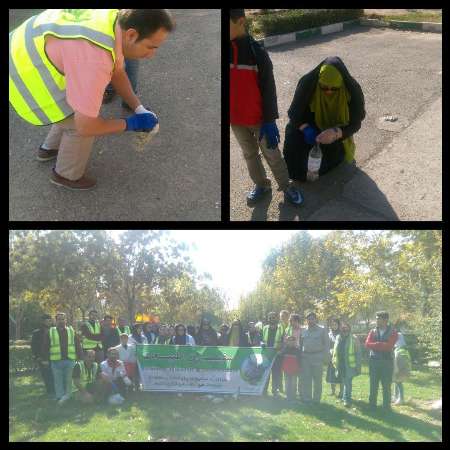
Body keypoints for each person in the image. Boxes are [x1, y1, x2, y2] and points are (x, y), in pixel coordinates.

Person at [9, 9, 174, 190]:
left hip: (24, 52)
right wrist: (131, 123)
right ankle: (65, 175)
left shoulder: (114, 21)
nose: (151, 55)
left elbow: (117, 70)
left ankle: (49, 149)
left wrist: (138, 107)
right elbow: (87, 127)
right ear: (132, 35)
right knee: (82, 123)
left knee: (82, 104)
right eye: (151, 47)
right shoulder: (95, 60)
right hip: (21, 75)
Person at [229, 9, 303, 206]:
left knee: (272, 153)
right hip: (235, 120)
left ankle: (287, 186)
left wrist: (269, 120)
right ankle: (262, 184)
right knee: (249, 154)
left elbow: (269, 91)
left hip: (259, 119)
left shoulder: (257, 53)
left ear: (240, 21)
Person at [283, 56, 366, 182]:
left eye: (334, 89)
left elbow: (356, 123)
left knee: (326, 161)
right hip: (309, 126)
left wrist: (336, 133)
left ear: (342, 83)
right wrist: (305, 128)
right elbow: (294, 114)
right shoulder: (307, 83)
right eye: (324, 87)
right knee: (293, 145)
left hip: (336, 130)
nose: (328, 92)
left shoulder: (352, 90)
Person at [41, 312, 83, 405]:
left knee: (69, 380)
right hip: (56, 360)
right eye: (59, 319)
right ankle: (59, 397)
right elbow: (45, 346)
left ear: (66, 320)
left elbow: (77, 344)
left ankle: (68, 396)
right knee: (57, 380)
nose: (61, 321)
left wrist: (80, 357)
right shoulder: (50, 331)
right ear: (56, 320)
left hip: (70, 359)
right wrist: (45, 359)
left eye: (63, 319)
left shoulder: (71, 330)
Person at [365, 311, 398, 411]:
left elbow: (389, 346)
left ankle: (386, 407)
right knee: (373, 384)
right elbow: (367, 344)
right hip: (374, 362)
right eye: (376, 319)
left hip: (387, 362)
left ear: (385, 320)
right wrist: (380, 344)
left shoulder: (393, 332)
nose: (376, 321)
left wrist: (375, 345)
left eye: (378, 319)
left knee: (386, 385)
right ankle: (372, 405)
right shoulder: (372, 331)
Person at [300, 311, 330, 404]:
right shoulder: (303, 330)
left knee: (317, 380)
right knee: (307, 379)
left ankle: (316, 399)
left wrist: (326, 358)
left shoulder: (322, 330)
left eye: (312, 319)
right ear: (306, 320)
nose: (310, 321)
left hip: (317, 357)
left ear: (315, 319)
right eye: (308, 319)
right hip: (306, 357)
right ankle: (307, 398)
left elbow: (327, 344)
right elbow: (301, 344)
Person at [331, 321, 361, 407]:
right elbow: (335, 351)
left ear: (349, 328)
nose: (344, 329)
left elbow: (358, 353)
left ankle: (347, 399)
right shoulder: (338, 337)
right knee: (345, 381)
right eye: (343, 327)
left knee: (348, 382)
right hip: (340, 365)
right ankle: (345, 397)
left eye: (346, 327)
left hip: (350, 365)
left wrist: (358, 367)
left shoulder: (354, 338)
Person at [31, 313, 55, 397]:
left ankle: (56, 391)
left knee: (54, 375)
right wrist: (37, 357)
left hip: (54, 357)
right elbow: (34, 346)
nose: (49, 322)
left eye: (50, 320)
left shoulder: (54, 331)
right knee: (46, 375)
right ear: (43, 321)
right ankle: (50, 392)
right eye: (47, 320)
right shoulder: (36, 333)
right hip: (42, 358)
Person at [261, 312, 284, 396]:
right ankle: (264, 390)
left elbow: (283, 340)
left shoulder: (281, 328)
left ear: (276, 318)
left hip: (276, 354)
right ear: (268, 319)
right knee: (266, 374)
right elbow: (261, 339)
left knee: (276, 374)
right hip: (267, 354)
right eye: (270, 318)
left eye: (273, 317)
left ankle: (275, 391)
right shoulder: (264, 328)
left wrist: (280, 349)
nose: (271, 319)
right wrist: (261, 344)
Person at [280, 335, 301, 403]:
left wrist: (299, 369)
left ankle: (293, 397)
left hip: (294, 370)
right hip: (286, 370)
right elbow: (281, 357)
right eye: (289, 341)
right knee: (287, 383)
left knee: (293, 384)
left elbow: (299, 361)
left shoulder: (297, 350)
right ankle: (287, 396)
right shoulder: (284, 349)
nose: (291, 342)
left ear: (295, 342)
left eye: (293, 341)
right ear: (287, 342)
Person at [392, 331, 411, 406]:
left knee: (398, 382)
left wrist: (396, 369)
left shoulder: (398, 350)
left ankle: (401, 398)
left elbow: (397, 360)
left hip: (400, 369)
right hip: (404, 369)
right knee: (396, 382)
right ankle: (396, 397)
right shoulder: (404, 349)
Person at [326, 318, 343, 398]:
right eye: (332, 324)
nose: (334, 326)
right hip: (331, 358)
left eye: (335, 324)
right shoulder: (329, 334)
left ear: (338, 325)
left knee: (340, 375)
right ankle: (333, 391)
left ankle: (341, 392)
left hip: (340, 358)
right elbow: (327, 345)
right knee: (331, 374)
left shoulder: (341, 334)